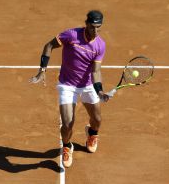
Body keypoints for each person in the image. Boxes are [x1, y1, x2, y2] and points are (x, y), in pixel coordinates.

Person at [29, 10, 109, 168]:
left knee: (97, 120)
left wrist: (99, 90)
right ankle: (67, 146)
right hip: (67, 85)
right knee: (67, 124)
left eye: (98, 28)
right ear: (86, 24)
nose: (95, 31)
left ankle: (92, 134)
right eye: (92, 27)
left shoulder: (100, 45)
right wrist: (42, 70)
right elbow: (49, 45)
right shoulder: (71, 35)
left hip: (87, 85)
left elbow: (95, 71)